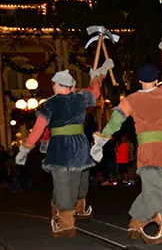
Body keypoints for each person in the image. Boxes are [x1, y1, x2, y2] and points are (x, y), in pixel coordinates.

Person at [90, 39, 162, 245]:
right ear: (156, 79)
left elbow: (115, 122)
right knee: (152, 187)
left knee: (154, 188)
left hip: (148, 150)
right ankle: (137, 222)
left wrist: (101, 139)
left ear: (139, 80)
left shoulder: (131, 100)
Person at [15, 59, 114, 237]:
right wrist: (96, 77)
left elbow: (38, 129)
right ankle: (68, 212)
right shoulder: (81, 98)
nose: (52, 87)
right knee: (74, 182)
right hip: (79, 144)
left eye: (53, 84)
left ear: (58, 85)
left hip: (60, 145)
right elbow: (96, 91)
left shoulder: (49, 104)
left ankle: (66, 223)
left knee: (62, 184)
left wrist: (25, 149)